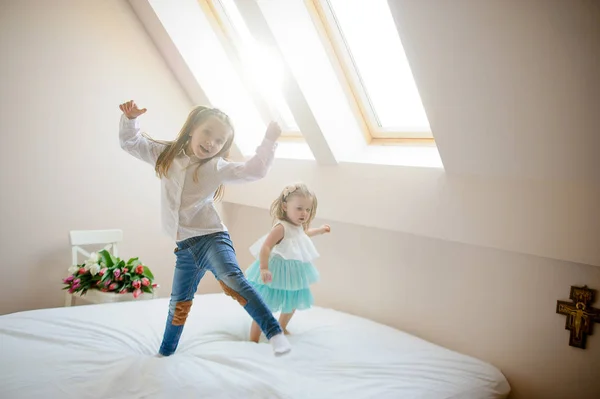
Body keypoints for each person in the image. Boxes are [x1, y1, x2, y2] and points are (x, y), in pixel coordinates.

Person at [118, 100, 291, 356]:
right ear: (192, 129)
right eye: (208, 132)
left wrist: (269, 141)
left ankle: (274, 332)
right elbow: (131, 143)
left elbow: (254, 170)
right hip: (185, 249)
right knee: (178, 304)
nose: (211, 142)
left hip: (212, 240)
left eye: (219, 140)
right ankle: (165, 352)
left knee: (233, 280)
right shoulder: (166, 155)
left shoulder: (215, 167)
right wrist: (130, 120)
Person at [245, 183, 330, 342]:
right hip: (276, 269)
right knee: (265, 305)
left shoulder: (298, 226)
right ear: (285, 206)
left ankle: (282, 326)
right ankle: (253, 338)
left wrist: (319, 231)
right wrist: (264, 268)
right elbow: (266, 247)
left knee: (292, 302)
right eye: (299, 208)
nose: (304, 213)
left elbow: (303, 234)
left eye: (308, 209)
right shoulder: (281, 227)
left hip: (293, 271)